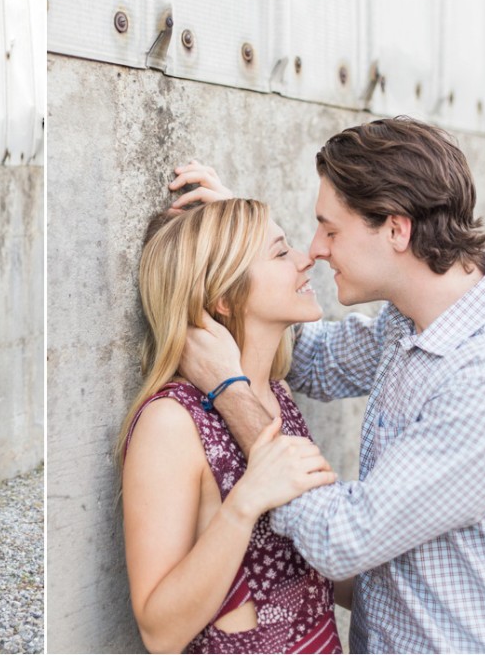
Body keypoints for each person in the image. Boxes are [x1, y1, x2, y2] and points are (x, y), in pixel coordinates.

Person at [172, 117, 485, 653]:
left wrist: (229, 392)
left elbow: (341, 540)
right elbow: (310, 359)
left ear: (396, 230)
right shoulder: (411, 321)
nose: (317, 248)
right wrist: (243, 247)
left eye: (330, 230)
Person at [120, 198, 342, 653]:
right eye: (281, 253)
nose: (305, 259)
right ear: (223, 296)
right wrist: (244, 504)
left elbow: (322, 569)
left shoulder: (277, 395)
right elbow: (159, 633)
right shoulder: (172, 422)